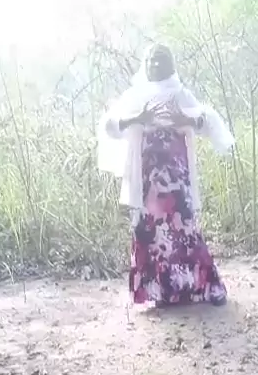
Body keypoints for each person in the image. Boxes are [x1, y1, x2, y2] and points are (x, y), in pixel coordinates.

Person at [98, 44, 234, 307]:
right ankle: (161, 292)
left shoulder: (180, 94)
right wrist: (137, 119)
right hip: (147, 178)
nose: (156, 64)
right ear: (145, 65)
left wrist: (187, 120)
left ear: (170, 65)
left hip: (177, 176)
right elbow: (109, 126)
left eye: (161, 59)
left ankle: (205, 287)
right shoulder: (135, 96)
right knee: (152, 231)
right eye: (151, 60)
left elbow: (206, 121)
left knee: (184, 227)